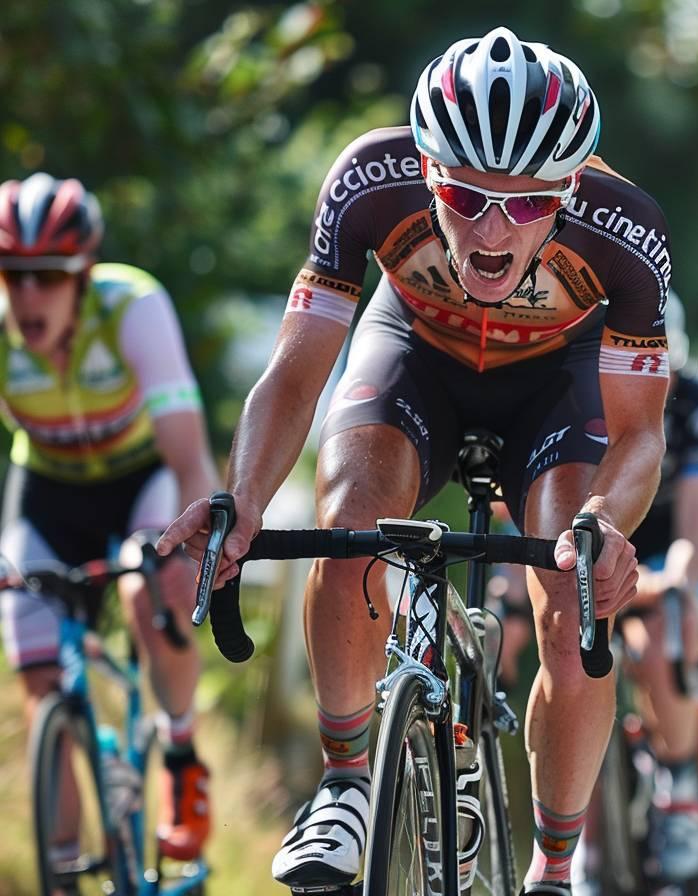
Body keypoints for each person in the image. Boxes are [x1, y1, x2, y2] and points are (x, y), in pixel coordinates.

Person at [158, 27, 666, 896]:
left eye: (530, 203)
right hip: (414, 360)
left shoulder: (625, 230)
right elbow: (298, 367)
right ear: (428, 173)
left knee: (571, 592)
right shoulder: (368, 180)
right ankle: (347, 781)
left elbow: (641, 433)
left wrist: (607, 525)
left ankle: (553, 868)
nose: (496, 231)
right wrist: (242, 498)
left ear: (572, 187)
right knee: (349, 517)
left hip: (557, 386)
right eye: (467, 198)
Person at [0, 173, 218, 863]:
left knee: (149, 589)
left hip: (141, 483)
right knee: (40, 683)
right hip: (48, 494)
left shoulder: (131, 307)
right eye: (13, 275)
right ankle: (63, 864)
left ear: (83, 274)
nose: (29, 295)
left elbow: (188, 455)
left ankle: (181, 756)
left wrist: (193, 546)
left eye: (49, 275)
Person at [605, 293, 698, 883]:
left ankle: (680, 782)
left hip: (674, 554)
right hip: (602, 543)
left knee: (672, 623)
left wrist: (673, 582)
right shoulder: (577, 391)